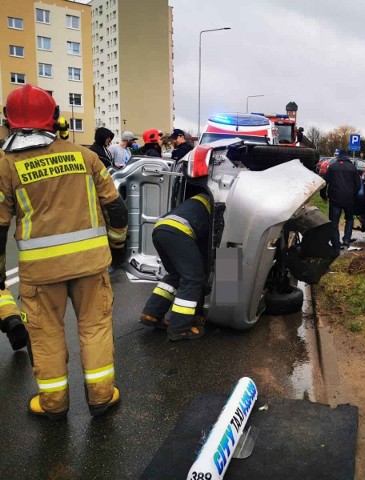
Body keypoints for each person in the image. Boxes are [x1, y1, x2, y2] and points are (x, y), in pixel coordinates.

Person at [0, 84, 128, 419]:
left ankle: (53, 405)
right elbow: (117, 209)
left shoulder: (6, 165)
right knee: (95, 328)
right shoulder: (85, 156)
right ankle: (101, 397)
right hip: (91, 266)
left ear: (8, 120)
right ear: (54, 118)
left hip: (41, 274)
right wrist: (116, 246)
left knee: (46, 335)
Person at [139, 192, 211, 341]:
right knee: (193, 279)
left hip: (160, 229)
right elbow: (207, 247)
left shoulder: (198, 200)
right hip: (179, 232)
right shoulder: (219, 206)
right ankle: (179, 328)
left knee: (175, 275)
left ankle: (151, 314)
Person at [320, 149, 361, 252]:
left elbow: (324, 182)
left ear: (339, 157)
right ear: (347, 157)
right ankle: (346, 240)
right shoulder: (353, 168)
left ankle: (336, 244)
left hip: (335, 199)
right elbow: (358, 185)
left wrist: (323, 196)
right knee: (349, 219)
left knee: (334, 223)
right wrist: (353, 195)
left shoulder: (332, 167)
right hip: (349, 199)